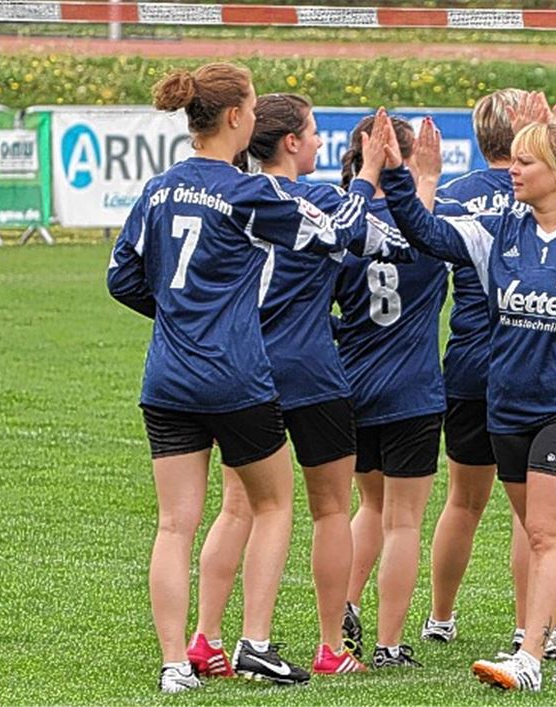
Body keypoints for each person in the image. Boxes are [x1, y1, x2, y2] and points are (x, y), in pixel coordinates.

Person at [106, 64, 408, 693]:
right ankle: (259, 643)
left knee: (176, 523)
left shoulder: (158, 188)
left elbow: (122, 278)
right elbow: (343, 233)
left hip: (166, 377)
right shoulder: (249, 193)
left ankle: (178, 661)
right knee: (276, 506)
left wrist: (179, 319)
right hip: (239, 376)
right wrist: (373, 174)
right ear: (238, 118)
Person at [374, 113, 556, 691]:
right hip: (510, 404)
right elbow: (428, 236)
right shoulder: (500, 231)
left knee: (549, 534)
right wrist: (401, 177)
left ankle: (529, 654)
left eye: (526, 162)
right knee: (545, 533)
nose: (513, 171)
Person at [184, 93, 412, 681]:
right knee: (332, 509)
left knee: (237, 508)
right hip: (309, 370)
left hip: (244, 368)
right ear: (290, 143)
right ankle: (331, 645)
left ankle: (206, 636)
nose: (317, 144)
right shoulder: (322, 200)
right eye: (312, 134)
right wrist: (372, 173)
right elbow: (377, 243)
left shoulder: (235, 199)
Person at [421, 88, 532, 654]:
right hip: (526, 366)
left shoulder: (453, 196)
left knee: (463, 500)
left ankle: (440, 617)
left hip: (466, 362)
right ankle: (526, 625)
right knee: (532, 508)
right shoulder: (540, 192)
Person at [335, 111, 448, 669]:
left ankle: (347, 605)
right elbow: (422, 236)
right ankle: (389, 643)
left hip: (353, 384)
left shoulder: (345, 228)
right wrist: (425, 180)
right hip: (412, 390)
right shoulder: (428, 228)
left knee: (369, 504)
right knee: (403, 520)